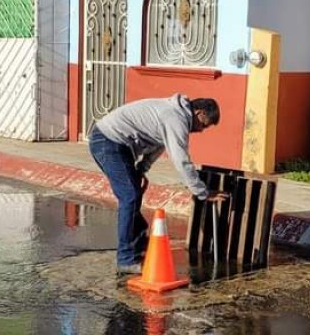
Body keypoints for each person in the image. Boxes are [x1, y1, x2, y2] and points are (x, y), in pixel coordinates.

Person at [88, 94, 228, 275]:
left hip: (113, 143)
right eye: (203, 124)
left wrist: (141, 169)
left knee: (131, 194)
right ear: (198, 112)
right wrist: (203, 192)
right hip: (109, 142)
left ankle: (138, 243)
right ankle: (126, 260)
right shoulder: (175, 118)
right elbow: (181, 161)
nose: (201, 130)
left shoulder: (174, 115)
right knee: (130, 196)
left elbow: (159, 144)